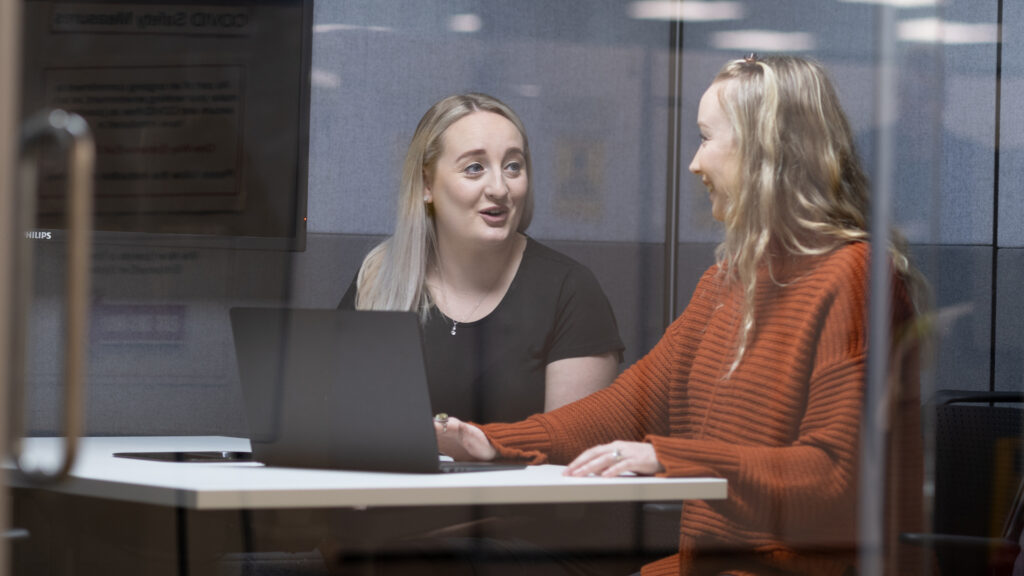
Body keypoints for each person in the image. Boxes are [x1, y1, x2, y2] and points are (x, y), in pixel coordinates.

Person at [435, 56, 927, 575]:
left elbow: (835, 477)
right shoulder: (728, 281)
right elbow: (629, 406)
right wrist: (494, 441)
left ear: (765, 151)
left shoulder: (855, 278)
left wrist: (671, 457)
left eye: (706, 138)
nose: (695, 163)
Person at [339, 92, 624, 424]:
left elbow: (567, 449)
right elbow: (339, 422)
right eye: (475, 168)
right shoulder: (379, 274)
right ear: (426, 184)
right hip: (394, 478)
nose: (500, 188)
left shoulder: (570, 291)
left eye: (513, 166)